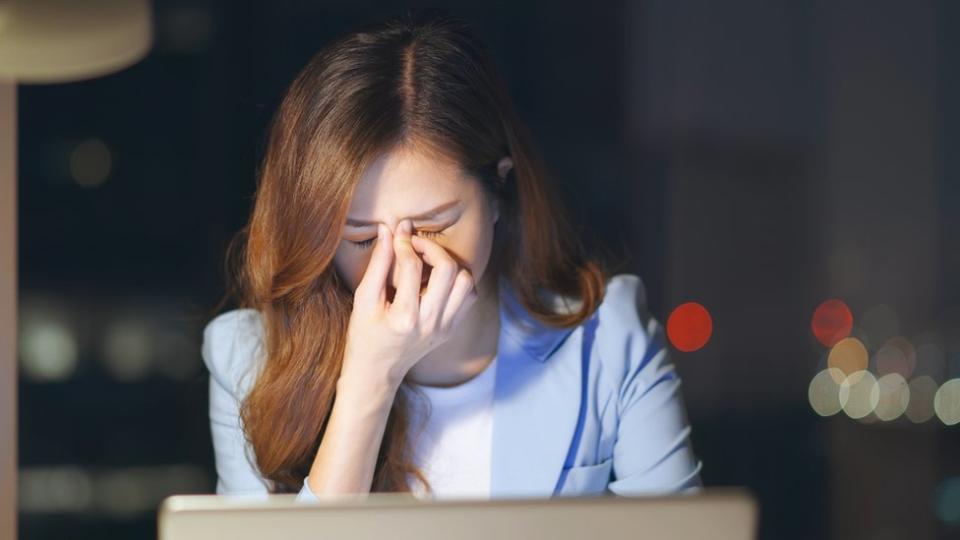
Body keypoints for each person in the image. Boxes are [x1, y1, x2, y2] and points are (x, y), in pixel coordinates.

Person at [201, 11, 702, 503]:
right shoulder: (246, 360)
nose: (401, 267)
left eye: (431, 228)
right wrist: (370, 382)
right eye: (361, 239)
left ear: (498, 190)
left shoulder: (609, 337)